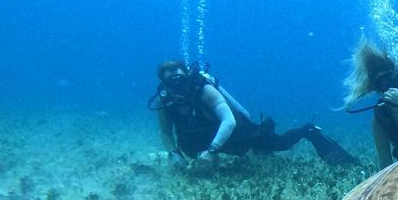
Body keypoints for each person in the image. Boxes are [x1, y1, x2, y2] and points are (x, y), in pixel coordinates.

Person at [152, 60, 356, 169]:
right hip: (205, 136)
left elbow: (228, 121)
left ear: (188, 78)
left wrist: (212, 151)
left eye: (180, 80)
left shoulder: (204, 90)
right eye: (171, 83)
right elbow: (165, 133)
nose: (177, 87)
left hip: (237, 132)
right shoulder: (165, 102)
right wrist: (173, 154)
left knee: (278, 144)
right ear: (164, 85)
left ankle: (308, 130)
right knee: (186, 150)